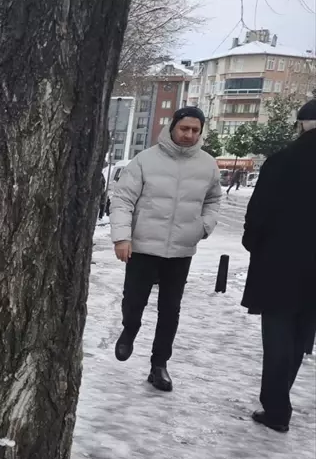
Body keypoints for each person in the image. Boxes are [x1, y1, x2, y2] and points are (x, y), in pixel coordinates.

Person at [109, 105, 222, 392]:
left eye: (195, 130)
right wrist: (122, 237)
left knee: (170, 310)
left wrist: (203, 227)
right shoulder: (145, 160)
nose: (189, 134)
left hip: (181, 250)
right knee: (134, 300)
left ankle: (159, 365)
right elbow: (123, 200)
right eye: (184, 128)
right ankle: (130, 328)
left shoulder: (208, 164)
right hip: (143, 246)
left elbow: (213, 200)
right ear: (172, 127)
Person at [240, 98, 316, 433]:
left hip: (279, 265)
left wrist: (258, 248)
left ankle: (276, 408)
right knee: (301, 336)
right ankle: (280, 397)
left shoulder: (281, 162)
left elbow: (256, 217)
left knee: (278, 336)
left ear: (303, 124)